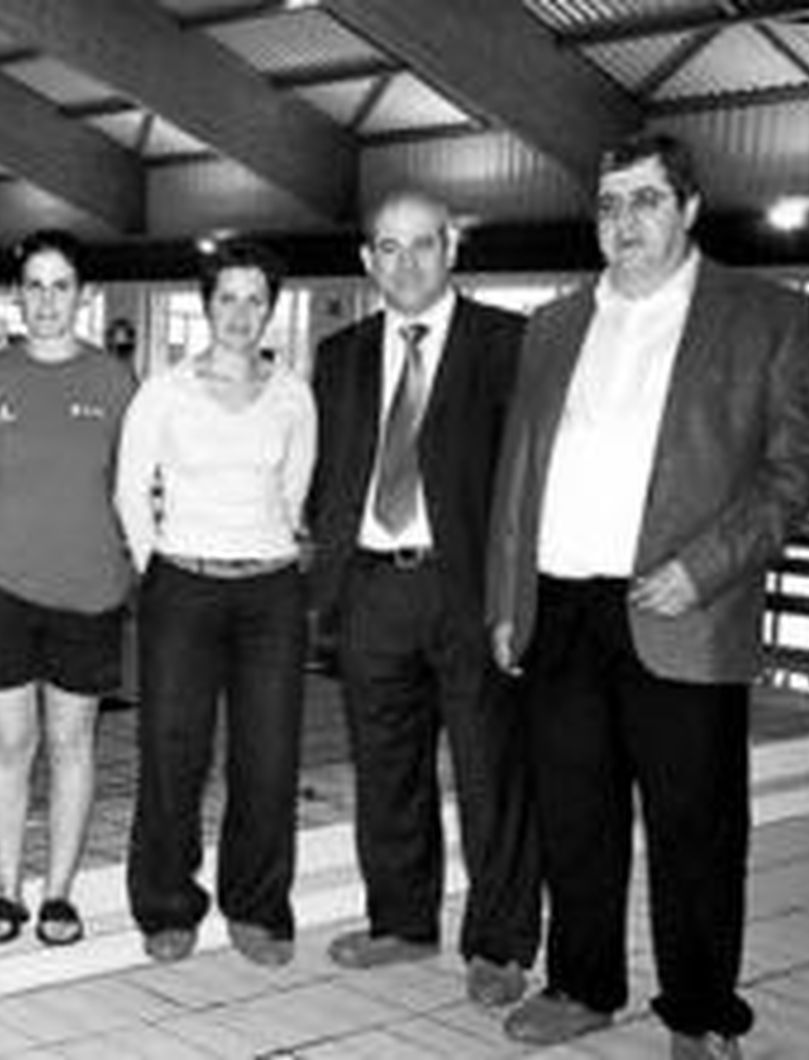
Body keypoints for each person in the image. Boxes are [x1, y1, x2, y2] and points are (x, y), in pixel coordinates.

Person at [487, 132, 809, 1058]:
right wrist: (508, 601)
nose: (623, 221)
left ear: (689, 208)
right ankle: (583, 983)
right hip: (562, 609)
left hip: (682, 610)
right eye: (608, 204)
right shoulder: (554, 326)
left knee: (697, 833)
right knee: (574, 819)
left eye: (643, 201)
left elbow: (794, 471)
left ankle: (702, 1011)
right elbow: (520, 477)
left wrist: (705, 566)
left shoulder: (767, 315)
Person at [308, 189, 540, 1007]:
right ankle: (402, 922)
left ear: (452, 250)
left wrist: (518, 597)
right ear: (367, 261)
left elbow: (529, 484)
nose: (404, 263)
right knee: (386, 771)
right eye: (387, 248)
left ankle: (501, 944)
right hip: (373, 586)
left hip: (467, 589)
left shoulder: (509, 344)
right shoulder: (340, 354)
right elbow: (328, 476)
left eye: (421, 245)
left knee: (490, 773)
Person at [116, 239, 315, 967]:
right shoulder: (164, 391)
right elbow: (129, 488)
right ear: (207, 305)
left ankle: (258, 907)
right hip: (183, 585)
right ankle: (168, 903)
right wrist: (160, 569)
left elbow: (293, 493)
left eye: (254, 298)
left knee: (268, 757)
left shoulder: (295, 394)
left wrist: (261, 548)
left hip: (270, 590)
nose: (240, 313)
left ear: (271, 307)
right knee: (172, 752)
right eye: (226, 297)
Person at [0, 229, 136, 947]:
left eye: (61, 286)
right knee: (8, 742)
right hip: (0, 586)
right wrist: (13, 540)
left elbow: (134, 478)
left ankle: (57, 893)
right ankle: (6, 893)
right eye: (36, 286)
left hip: (89, 588)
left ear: (80, 296)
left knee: (72, 740)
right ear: (19, 295)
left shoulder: (115, 381)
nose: (48, 301)